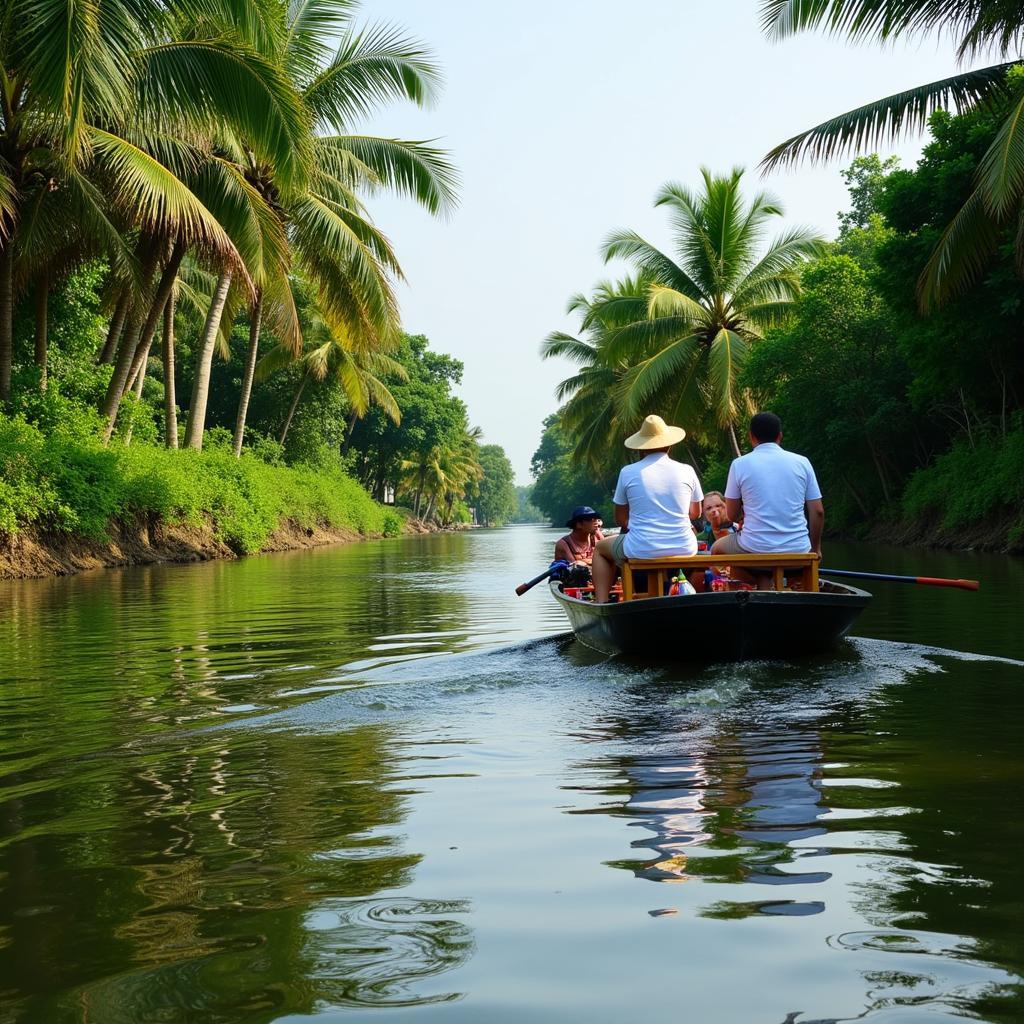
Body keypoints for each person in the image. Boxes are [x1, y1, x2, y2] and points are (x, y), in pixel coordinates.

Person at [592, 415, 703, 602]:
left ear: (642, 447)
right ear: (669, 445)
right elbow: (695, 513)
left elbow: (621, 519)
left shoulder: (627, 472)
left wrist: (640, 525)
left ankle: (601, 603)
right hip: (684, 545)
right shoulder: (687, 469)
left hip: (641, 547)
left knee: (600, 549)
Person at [711, 412, 824, 587]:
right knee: (766, 565)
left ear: (751, 437)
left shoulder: (739, 464)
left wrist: (744, 512)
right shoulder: (803, 462)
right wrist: (815, 549)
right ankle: (786, 583)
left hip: (754, 547)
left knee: (717, 548)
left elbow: (732, 515)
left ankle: (756, 585)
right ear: (780, 436)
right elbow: (818, 512)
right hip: (799, 549)